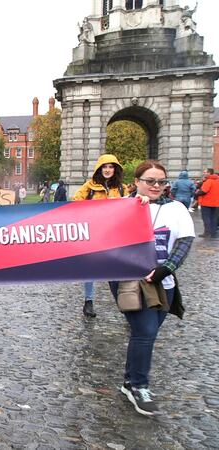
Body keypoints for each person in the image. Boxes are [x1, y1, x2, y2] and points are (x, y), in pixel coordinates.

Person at [111, 160, 194, 416]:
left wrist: (166, 269)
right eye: (150, 181)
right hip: (131, 280)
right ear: (137, 182)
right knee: (145, 331)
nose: (156, 186)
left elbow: (184, 241)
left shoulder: (177, 208)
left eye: (161, 181)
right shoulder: (122, 206)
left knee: (145, 334)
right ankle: (139, 386)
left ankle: (129, 381)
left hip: (162, 280)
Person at [73, 154, 127, 318]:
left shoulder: (122, 188)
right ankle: (88, 301)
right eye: (105, 167)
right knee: (91, 269)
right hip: (94, 234)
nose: (108, 170)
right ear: (99, 169)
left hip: (115, 235)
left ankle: (124, 304)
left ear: (115, 169)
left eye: (111, 167)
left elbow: (132, 204)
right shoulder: (89, 187)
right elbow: (75, 203)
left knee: (116, 271)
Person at [195, 168, 219, 238]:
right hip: (216, 203)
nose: (204, 173)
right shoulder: (217, 180)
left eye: (205, 172)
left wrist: (197, 193)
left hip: (207, 203)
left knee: (206, 218)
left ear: (209, 173)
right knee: (214, 219)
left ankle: (207, 233)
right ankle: (213, 233)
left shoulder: (209, 181)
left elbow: (204, 191)